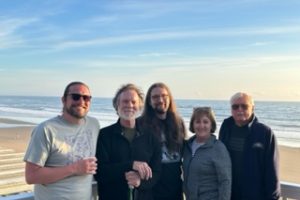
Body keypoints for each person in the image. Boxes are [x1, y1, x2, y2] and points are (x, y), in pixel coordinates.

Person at [24, 81, 100, 200]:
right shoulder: (46, 130)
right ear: (64, 100)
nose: (81, 102)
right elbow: (31, 176)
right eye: (75, 97)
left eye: (86, 98)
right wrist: (74, 169)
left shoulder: (94, 125)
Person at [94, 83, 161, 200]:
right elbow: (100, 173)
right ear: (117, 105)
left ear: (140, 106)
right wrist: (130, 165)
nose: (129, 105)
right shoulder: (104, 135)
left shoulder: (151, 136)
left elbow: (157, 173)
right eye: (125, 101)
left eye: (134, 102)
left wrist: (140, 182)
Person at [219, 92, 281, 200]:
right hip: (229, 194)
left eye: (244, 106)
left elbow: (272, 172)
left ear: (252, 108)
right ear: (231, 109)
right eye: (235, 106)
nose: (240, 109)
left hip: (255, 195)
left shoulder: (264, 133)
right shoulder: (226, 128)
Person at [138, 82, 187, 200]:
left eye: (164, 95)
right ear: (149, 102)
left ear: (169, 99)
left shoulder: (178, 123)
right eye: (155, 97)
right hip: (150, 191)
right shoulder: (140, 124)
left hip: (174, 189)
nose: (160, 100)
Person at [183, 107, 231, 200]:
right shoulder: (187, 146)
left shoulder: (218, 148)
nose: (201, 126)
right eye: (197, 122)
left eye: (205, 122)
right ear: (192, 125)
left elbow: (225, 181)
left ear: (211, 125)